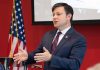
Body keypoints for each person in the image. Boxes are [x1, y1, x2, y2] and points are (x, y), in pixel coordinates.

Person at [13, 3, 86, 70]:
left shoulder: (78, 39)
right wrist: (28, 56)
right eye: (53, 14)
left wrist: (51, 58)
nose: (54, 17)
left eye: (58, 14)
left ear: (68, 16)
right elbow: (38, 54)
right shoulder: (48, 35)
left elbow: (75, 64)